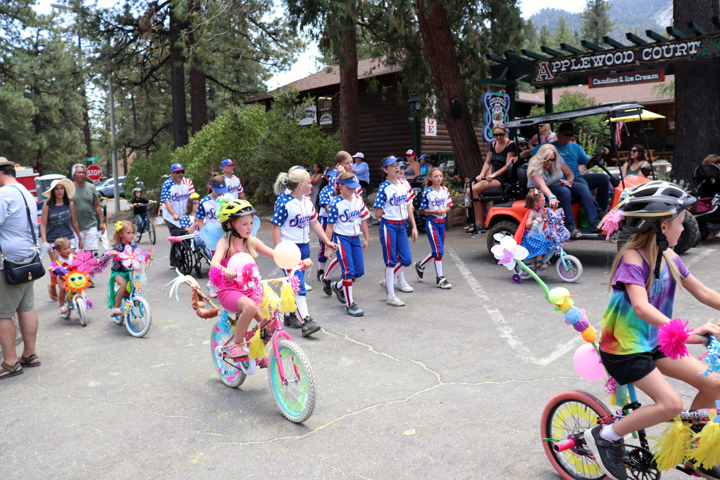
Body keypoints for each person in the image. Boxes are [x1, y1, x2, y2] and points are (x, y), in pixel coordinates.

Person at [583, 182, 720, 480]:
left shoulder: (669, 257)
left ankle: (693, 450)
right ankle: (606, 435)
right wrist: (685, 334)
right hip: (625, 349)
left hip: (654, 342)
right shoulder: (632, 258)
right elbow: (642, 307)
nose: (684, 229)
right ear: (663, 225)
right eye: (681, 222)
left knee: (714, 385)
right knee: (671, 404)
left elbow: (704, 293)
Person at [211, 200, 311, 358]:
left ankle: (256, 353)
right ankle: (236, 344)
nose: (249, 227)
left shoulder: (251, 241)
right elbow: (214, 263)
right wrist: (225, 270)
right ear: (230, 225)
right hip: (229, 291)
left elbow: (277, 255)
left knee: (270, 322)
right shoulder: (224, 243)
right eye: (244, 224)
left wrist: (299, 262)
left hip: (251, 289)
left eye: (251, 223)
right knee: (250, 307)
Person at [272, 167, 337, 337]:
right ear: (300, 185)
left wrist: (327, 241)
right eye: (309, 182)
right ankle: (306, 322)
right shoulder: (285, 204)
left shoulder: (307, 202)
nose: (312, 185)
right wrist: (279, 249)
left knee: (290, 283)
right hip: (289, 250)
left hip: (304, 247)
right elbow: (276, 227)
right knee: (298, 284)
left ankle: (289, 315)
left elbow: (315, 223)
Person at [0, 158, 42, 379]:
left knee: (3, 314)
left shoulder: (3, 195)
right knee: (26, 307)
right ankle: (29, 354)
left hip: (7, 262)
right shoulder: (24, 191)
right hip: (28, 258)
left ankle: (10, 362)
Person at [524, 122, 611, 228]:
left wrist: (600, 154)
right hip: (544, 188)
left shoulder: (565, 153)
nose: (569, 137)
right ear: (559, 133)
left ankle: (598, 220)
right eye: (566, 134)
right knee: (574, 186)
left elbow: (578, 168)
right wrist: (515, 157)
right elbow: (541, 184)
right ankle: (572, 226)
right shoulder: (546, 150)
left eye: (571, 135)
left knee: (600, 179)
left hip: (567, 180)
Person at [374, 156, 418, 307]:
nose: (397, 168)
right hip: (389, 226)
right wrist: (388, 213)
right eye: (392, 166)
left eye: (397, 165)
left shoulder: (404, 184)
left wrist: (414, 226)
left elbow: (409, 206)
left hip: (402, 226)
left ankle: (388, 280)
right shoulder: (384, 188)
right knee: (390, 261)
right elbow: (377, 213)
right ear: (385, 170)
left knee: (406, 260)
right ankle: (390, 296)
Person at [325, 173, 370, 317]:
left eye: (354, 186)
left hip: (356, 238)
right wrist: (328, 246)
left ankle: (338, 286)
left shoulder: (358, 199)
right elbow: (330, 226)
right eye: (349, 186)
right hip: (342, 238)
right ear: (340, 186)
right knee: (348, 271)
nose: (352, 189)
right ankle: (350, 305)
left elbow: (363, 219)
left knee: (359, 271)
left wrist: (367, 238)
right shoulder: (336, 203)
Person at [527, 144, 589, 238]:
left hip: (555, 185)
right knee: (564, 191)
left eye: (552, 159)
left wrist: (569, 182)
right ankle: (571, 227)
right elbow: (541, 185)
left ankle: (595, 222)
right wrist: (552, 197)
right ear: (541, 157)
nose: (549, 162)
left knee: (581, 187)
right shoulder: (535, 165)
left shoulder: (557, 160)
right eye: (546, 159)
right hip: (539, 191)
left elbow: (570, 174)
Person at [466, 122, 517, 234]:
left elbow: (507, 165)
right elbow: (488, 162)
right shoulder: (493, 144)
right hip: (492, 177)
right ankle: (477, 221)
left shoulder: (510, 145)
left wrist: (494, 175)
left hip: (503, 177)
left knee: (473, 190)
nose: (498, 137)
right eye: (495, 135)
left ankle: (480, 223)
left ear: (505, 132)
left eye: (500, 134)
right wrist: (482, 174)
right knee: (470, 191)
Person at [40, 178, 83, 301]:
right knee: (56, 267)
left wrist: (79, 238)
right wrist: (45, 241)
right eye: (57, 189)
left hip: (69, 238)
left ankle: (70, 289)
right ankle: (53, 287)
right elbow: (43, 225)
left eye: (61, 188)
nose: (59, 191)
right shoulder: (47, 205)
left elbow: (74, 222)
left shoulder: (70, 204)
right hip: (53, 241)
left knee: (70, 264)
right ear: (53, 191)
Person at [415, 168, 452, 289]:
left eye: (440, 176)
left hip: (442, 223)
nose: (439, 178)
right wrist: (435, 212)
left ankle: (420, 266)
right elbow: (423, 210)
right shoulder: (427, 192)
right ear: (430, 178)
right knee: (439, 251)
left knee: (438, 250)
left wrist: (445, 210)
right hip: (432, 223)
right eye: (436, 176)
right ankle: (440, 278)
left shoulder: (445, 190)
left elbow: (449, 206)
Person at [160, 163, 195, 268]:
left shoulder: (187, 183)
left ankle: (177, 259)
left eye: (182, 172)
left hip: (184, 215)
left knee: (187, 237)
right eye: (178, 172)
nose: (181, 174)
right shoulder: (167, 184)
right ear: (173, 173)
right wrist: (174, 214)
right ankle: (177, 262)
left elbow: (192, 199)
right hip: (171, 217)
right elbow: (167, 201)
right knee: (177, 237)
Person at [70, 164, 105, 257]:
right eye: (79, 172)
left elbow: (97, 206)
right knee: (78, 255)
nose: (81, 174)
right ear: (74, 174)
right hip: (75, 227)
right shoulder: (69, 188)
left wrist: (101, 222)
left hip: (91, 224)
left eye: (83, 172)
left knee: (89, 254)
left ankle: (90, 267)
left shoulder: (91, 187)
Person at [105, 221, 137, 318]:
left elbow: (138, 255)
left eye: (132, 233)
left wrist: (145, 257)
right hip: (117, 272)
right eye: (128, 233)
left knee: (134, 286)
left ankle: (132, 301)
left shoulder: (133, 246)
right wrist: (111, 253)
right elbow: (106, 252)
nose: (131, 235)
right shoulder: (116, 246)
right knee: (123, 285)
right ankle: (116, 307)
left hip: (129, 272)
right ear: (121, 234)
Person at [517, 189, 554, 270]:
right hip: (530, 235)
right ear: (536, 203)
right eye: (543, 200)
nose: (544, 201)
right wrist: (535, 221)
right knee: (542, 240)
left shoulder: (541, 210)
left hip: (537, 233)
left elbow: (546, 217)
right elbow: (527, 224)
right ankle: (539, 261)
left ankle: (544, 256)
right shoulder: (531, 213)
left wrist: (552, 217)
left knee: (550, 238)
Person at [50, 238, 75, 316]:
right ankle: (61, 306)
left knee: (80, 285)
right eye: (65, 249)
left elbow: (80, 261)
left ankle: (84, 299)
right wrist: (52, 268)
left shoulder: (72, 256)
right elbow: (53, 265)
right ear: (59, 250)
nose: (68, 250)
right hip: (62, 277)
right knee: (63, 288)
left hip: (72, 276)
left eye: (69, 247)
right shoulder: (58, 257)